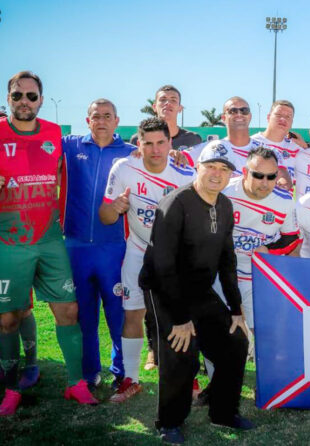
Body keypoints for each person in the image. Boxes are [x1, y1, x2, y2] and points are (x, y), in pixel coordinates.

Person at [140, 142, 251, 443]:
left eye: (224, 169)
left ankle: (223, 412)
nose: (217, 174)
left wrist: (236, 311)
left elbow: (228, 260)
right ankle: (170, 422)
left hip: (199, 289)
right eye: (211, 167)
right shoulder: (175, 204)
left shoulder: (226, 205)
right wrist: (179, 318)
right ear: (197, 168)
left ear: (230, 176)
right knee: (182, 349)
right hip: (164, 288)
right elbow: (163, 266)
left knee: (235, 341)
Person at [0, 71, 97, 416]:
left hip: (49, 239)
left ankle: (76, 383)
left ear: (41, 99)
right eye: (17, 96)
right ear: (8, 98)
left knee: (68, 310)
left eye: (31, 95)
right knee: (8, 319)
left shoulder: (56, 135)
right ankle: (11, 389)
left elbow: (96, 148)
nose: (24, 101)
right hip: (9, 241)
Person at [98, 118, 196, 403]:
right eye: (148, 143)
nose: (155, 150)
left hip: (174, 254)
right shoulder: (124, 168)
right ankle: (131, 379)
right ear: (138, 145)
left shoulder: (185, 173)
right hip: (138, 249)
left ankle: (186, 378)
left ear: (170, 143)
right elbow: (105, 217)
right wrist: (115, 208)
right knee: (133, 313)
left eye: (161, 143)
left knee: (180, 316)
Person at [62, 98, 136, 389]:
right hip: (77, 246)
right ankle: (90, 370)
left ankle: (120, 371)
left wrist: (179, 157)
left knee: (117, 312)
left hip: (114, 247)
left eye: (107, 116)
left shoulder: (132, 153)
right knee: (84, 313)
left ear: (117, 121)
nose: (101, 121)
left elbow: (162, 160)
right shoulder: (70, 146)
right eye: (96, 116)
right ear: (87, 120)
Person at [214, 146, 301, 330]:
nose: (265, 182)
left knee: (262, 331)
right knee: (218, 330)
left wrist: (269, 250)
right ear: (245, 172)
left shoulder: (285, 201)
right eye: (258, 175)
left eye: (271, 177)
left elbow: (291, 238)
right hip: (221, 274)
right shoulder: (225, 192)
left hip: (256, 276)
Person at [185, 97, 291, 187]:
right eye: (233, 111)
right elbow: (178, 160)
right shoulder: (211, 147)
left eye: (244, 111)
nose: (239, 114)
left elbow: (283, 175)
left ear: (249, 116)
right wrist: (176, 154)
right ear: (223, 117)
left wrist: (283, 183)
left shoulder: (267, 150)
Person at [129, 85, 202, 150]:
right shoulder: (138, 140)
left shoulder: (193, 139)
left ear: (180, 108)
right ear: (154, 107)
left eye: (173, 100)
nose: (168, 103)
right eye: (163, 99)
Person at [251, 99, 306, 185]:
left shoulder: (297, 150)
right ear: (268, 117)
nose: (283, 119)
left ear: (292, 122)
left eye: (288, 117)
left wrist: (307, 148)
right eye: (278, 115)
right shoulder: (251, 143)